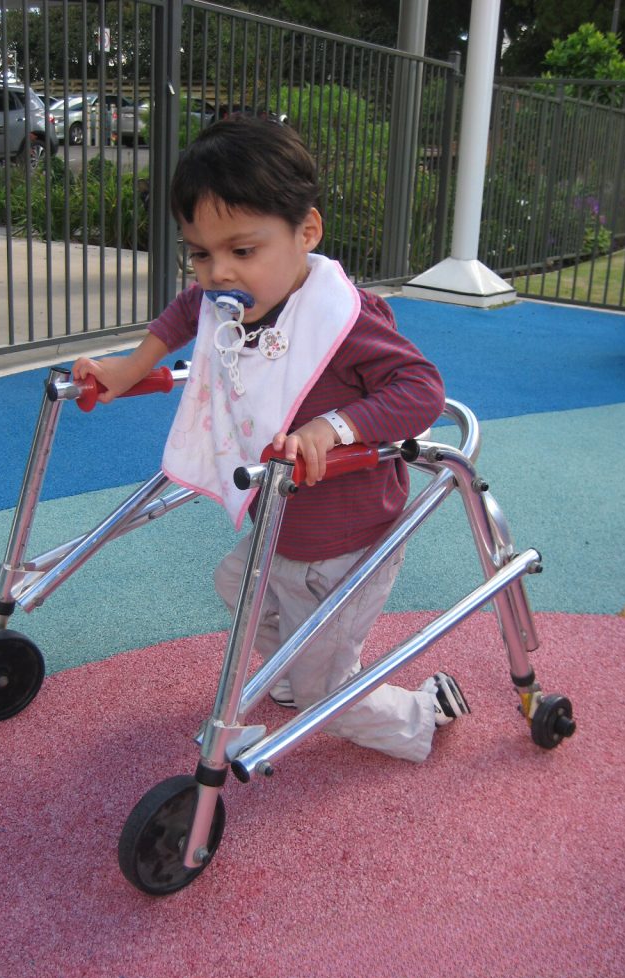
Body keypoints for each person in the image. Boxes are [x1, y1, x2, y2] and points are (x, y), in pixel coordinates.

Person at [72, 117, 470, 762]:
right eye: (201, 253)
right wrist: (130, 364)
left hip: (344, 544)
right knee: (236, 588)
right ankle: (296, 671)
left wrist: (333, 428)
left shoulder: (343, 320)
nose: (218, 273)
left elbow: (420, 389)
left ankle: (419, 712)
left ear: (306, 232)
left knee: (323, 692)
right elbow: (184, 311)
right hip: (281, 526)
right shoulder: (231, 300)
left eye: (242, 251)